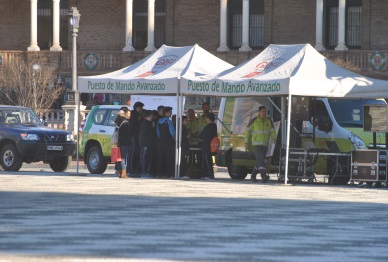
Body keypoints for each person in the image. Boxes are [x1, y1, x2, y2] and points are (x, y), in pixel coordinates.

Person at [245, 106, 277, 183]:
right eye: (263, 111)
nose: (264, 113)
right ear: (259, 112)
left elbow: (272, 130)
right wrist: (246, 142)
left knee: (259, 161)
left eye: (265, 111)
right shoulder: (254, 121)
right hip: (256, 145)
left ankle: (253, 176)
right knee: (261, 160)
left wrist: (274, 138)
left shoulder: (268, 121)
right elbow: (247, 131)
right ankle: (263, 176)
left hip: (265, 145)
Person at [156, 107, 175, 178]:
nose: (171, 113)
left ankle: (160, 173)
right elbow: (172, 132)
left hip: (161, 141)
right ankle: (169, 173)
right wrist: (175, 139)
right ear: (166, 113)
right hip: (169, 141)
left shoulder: (158, 121)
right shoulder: (168, 121)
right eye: (170, 112)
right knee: (169, 158)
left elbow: (157, 132)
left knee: (161, 157)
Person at [114, 107, 133, 178]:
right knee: (123, 158)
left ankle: (119, 172)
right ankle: (124, 173)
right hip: (124, 142)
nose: (130, 114)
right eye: (129, 113)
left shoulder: (119, 121)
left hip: (119, 142)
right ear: (125, 113)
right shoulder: (125, 122)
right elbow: (124, 134)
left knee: (119, 158)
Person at [127, 101, 144, 177]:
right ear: (136, 107)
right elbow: (132, 126)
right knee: (134, 152)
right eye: (139, 108)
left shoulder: (140, 114)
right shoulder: (133, 115)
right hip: (134, 136)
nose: (140, 109)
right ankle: (133, 169)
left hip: (138, 136)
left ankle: (136, 169)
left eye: (141, 108)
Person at [199, 112, 217, 180]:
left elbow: (201, 136)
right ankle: (209, 174)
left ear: (208, 118)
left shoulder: (209, 126)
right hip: (211, 145)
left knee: (207, 160)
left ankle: (209, 175)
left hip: (207, 145)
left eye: (206, 118)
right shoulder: (214, 126)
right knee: (208, 160)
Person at [139, 110, 156, 179]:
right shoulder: (146, 123)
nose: (152, 117)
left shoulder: (149, 123)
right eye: (151, 115)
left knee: (147, 158)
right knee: (145, 158)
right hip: (146, 143)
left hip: (148, 143)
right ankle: (144, 172)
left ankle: (146, 172)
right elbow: (147, 134)